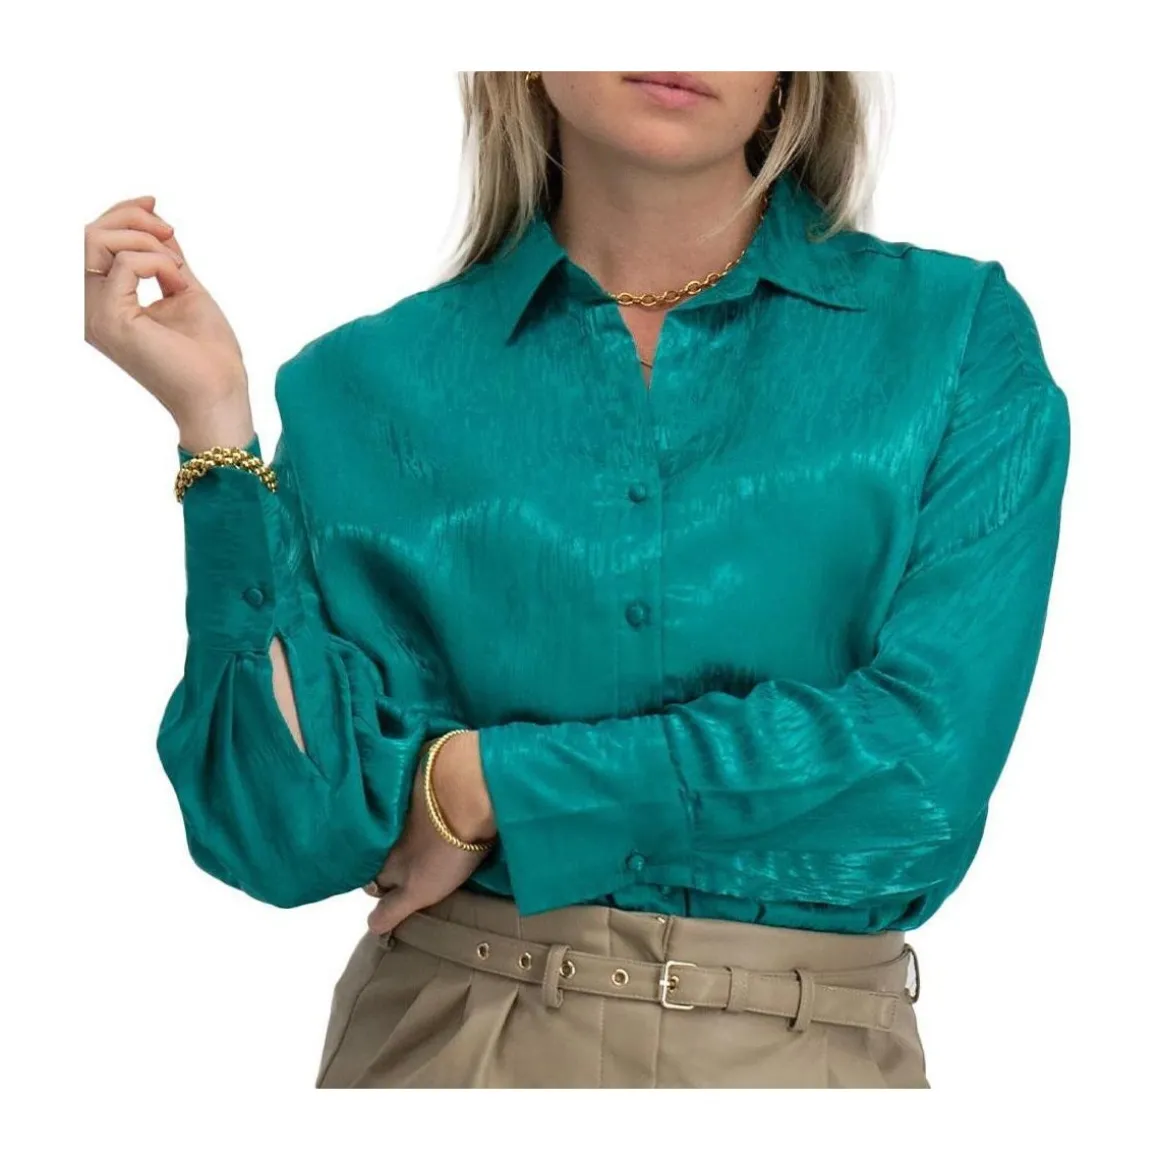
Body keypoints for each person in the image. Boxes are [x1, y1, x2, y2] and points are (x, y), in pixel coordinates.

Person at [82, 70, 1070, 1089]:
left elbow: (917, 775)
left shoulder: (951, 338)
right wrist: (215, 427)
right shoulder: (361, 385)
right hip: (448, 1051)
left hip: (805, 1060)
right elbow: (284, 832)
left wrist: (486, 782)